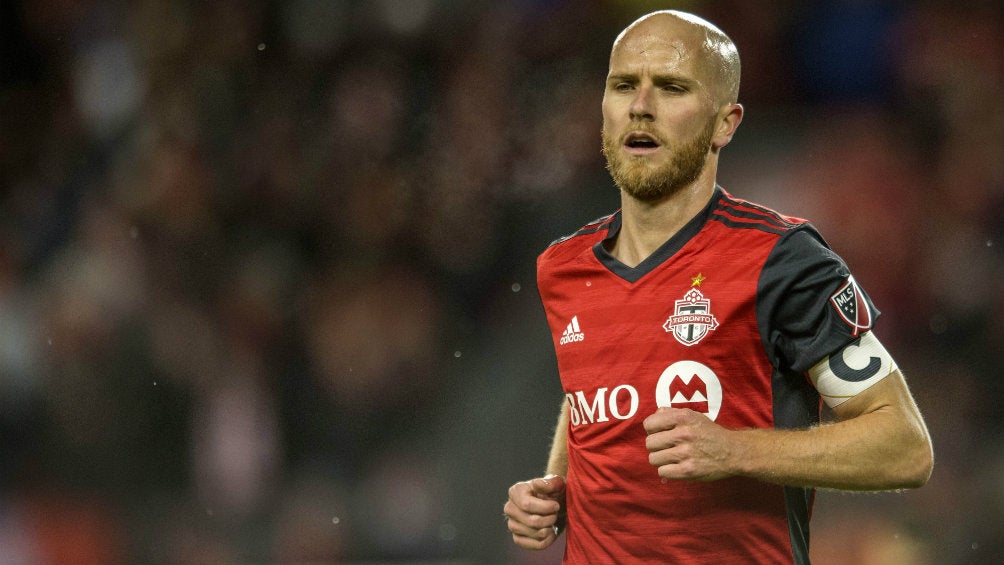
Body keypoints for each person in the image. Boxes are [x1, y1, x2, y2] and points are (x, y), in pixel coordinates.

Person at [502, 9, 933, 565]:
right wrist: (557, 487)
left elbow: (903, 447)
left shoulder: (783, 261)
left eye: (672, 87)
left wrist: (735, 448)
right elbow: (587, 391)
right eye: (623, 85)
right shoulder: (563, 268)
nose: (641, 105)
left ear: (725, 123)